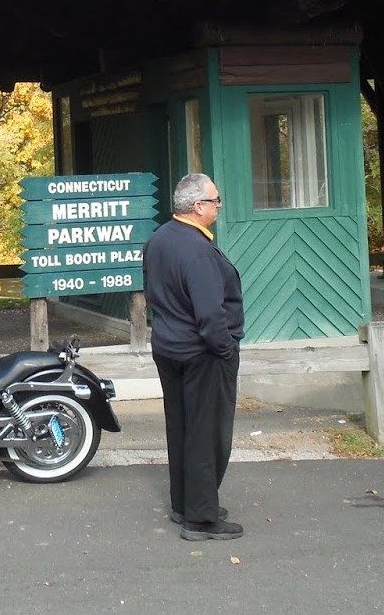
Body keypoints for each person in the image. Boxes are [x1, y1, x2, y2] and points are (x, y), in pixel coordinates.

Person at [143, 172, 245, 541]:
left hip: (168, 346)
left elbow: (153, 292)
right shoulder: (198, 251)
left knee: (182, 427)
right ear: (198, 207)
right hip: (202, 352)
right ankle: (201, 519)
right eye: (215, 200)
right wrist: (226, 348)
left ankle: (186, 502)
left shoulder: (159, 239)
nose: (219, 206)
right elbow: (210, 314)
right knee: (207, 433)